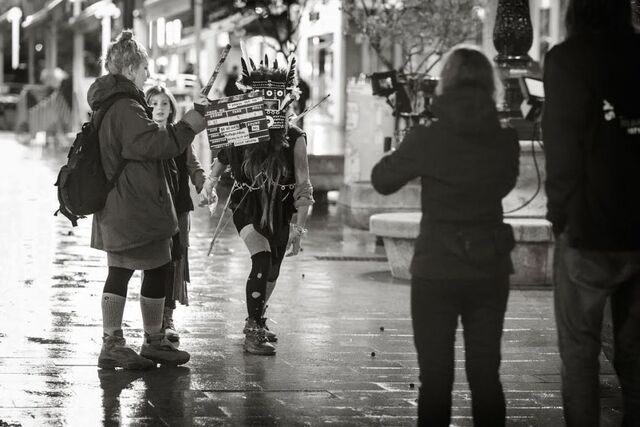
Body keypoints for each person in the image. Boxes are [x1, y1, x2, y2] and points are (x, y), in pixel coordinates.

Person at [371, 47, 520, 426]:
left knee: (435, 378)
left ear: (446, 83)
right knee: (486, 374)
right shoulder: (506, 140)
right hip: (488, 266)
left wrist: (412, 147)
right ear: (491, 85)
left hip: (437, 267)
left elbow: (382, 180)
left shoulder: (427, 137)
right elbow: (504, 184)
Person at [542, 1, 640, 425]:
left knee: (580, 355)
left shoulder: (567, 59)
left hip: (587, 228)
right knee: (637, 355)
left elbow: (562, 148)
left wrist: (558, 216)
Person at [89, 30, 207, 369]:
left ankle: (143, 340)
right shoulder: (125, 106)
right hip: (132, 204)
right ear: (128, 70)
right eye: (143, 69)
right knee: (136, 270)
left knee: (152, 267)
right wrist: (189, 126)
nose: (147, 75)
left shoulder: (114, 103)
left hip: (124, 203)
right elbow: (154, 145)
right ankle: (122, 342)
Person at [203, 55, 314, 356]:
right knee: (262, 259)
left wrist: (299, 229)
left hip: (280, 210)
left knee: (273, 270)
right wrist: (209, 185)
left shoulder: (295, 138)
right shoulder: (243, 130)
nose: (269, 105)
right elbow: (222, 160)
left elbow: (303, 185)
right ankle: (253, 328)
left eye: (275, 99)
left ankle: (258, 317)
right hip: (247, 205)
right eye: (262, 99)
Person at [145, 85, 206, 342]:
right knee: (153, 264)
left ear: (171, 108)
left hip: (179, 209)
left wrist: (205, 185)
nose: (159, 108)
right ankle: (152, 320)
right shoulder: (142, 137)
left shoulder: (180, 137)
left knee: (174, 262)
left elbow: (193, 166)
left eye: (164, 104)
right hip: (149, 210)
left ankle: (167, 317)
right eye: (154, 103)